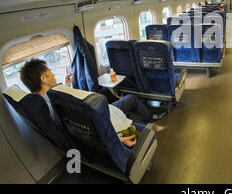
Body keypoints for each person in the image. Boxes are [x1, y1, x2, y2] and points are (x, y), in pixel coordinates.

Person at [19, 59, 153, 147]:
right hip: (103, 118)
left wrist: (67, 85)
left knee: (113, 96)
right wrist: (120, 140)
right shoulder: (56, 101)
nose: (53, 74)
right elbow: (89, 127)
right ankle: (151, 120)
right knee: (131, 99)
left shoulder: (48, 100)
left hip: (101, 112)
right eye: (50, 72)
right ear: (43, 79)